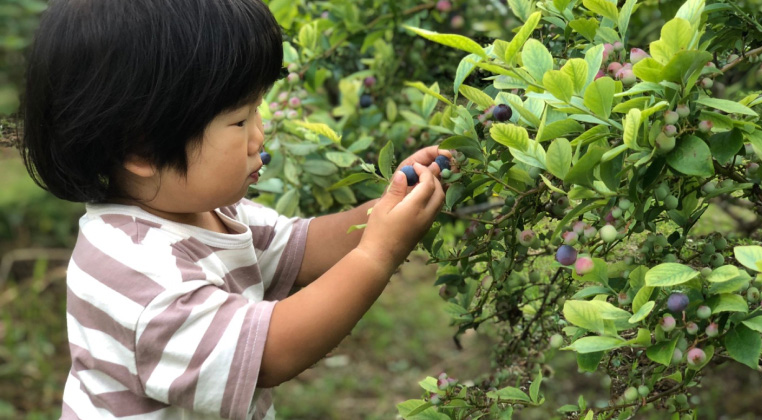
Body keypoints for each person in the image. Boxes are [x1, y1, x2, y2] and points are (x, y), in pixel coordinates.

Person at [19, 0, 447, 418]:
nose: (260, 136)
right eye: (240, 121)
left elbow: (302, 246)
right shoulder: (134, 270)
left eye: (257, 109)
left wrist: (392, 201)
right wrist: (377, 255)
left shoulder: (210, 211)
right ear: (144, 148)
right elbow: (270, 354)